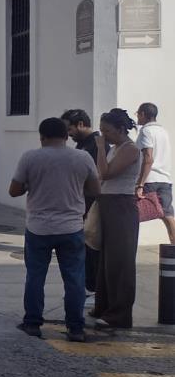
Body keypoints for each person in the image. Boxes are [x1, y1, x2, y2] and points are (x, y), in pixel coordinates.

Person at [9, 118, 100, 342]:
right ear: (66, 136)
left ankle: (32, 323)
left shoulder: (31, 157)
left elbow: (14, 190)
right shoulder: (82, 157)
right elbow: (95, 189)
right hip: (71, 227)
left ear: (42, 137)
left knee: (35, 276)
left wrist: (32, 185)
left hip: (38, 227)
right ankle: (75, 328)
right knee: (74, 279)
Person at [92, 108, 142, 330]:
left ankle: (119, 313)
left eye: (108, 131)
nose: (104, 135)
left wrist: (101, 148)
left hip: (121, 206)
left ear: (121, 129)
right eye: (102, 130)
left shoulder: (130, 149)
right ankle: (104, 305)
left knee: (120, 261)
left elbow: (106, 173)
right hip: (108, 203)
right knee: (106, 260)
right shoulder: (116, 148)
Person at [63, 109, 105, 301]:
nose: (68, 133)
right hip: (80, 204)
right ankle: (88, 287)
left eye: (69, 128)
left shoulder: (95, 146)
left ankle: (93, 289)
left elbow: (98, 177)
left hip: (92, 205)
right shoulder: (82, 146)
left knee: (91, 248)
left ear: (80, 124)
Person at [135, 103, 174, 244]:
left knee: (133, 215)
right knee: (168, 216)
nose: (137, 117)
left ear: (143, 114)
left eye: (138, 114)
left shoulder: (146, 132)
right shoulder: (163, 132)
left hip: (149, 180)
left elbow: (148, 158)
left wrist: (140, 184)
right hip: (165, 179)